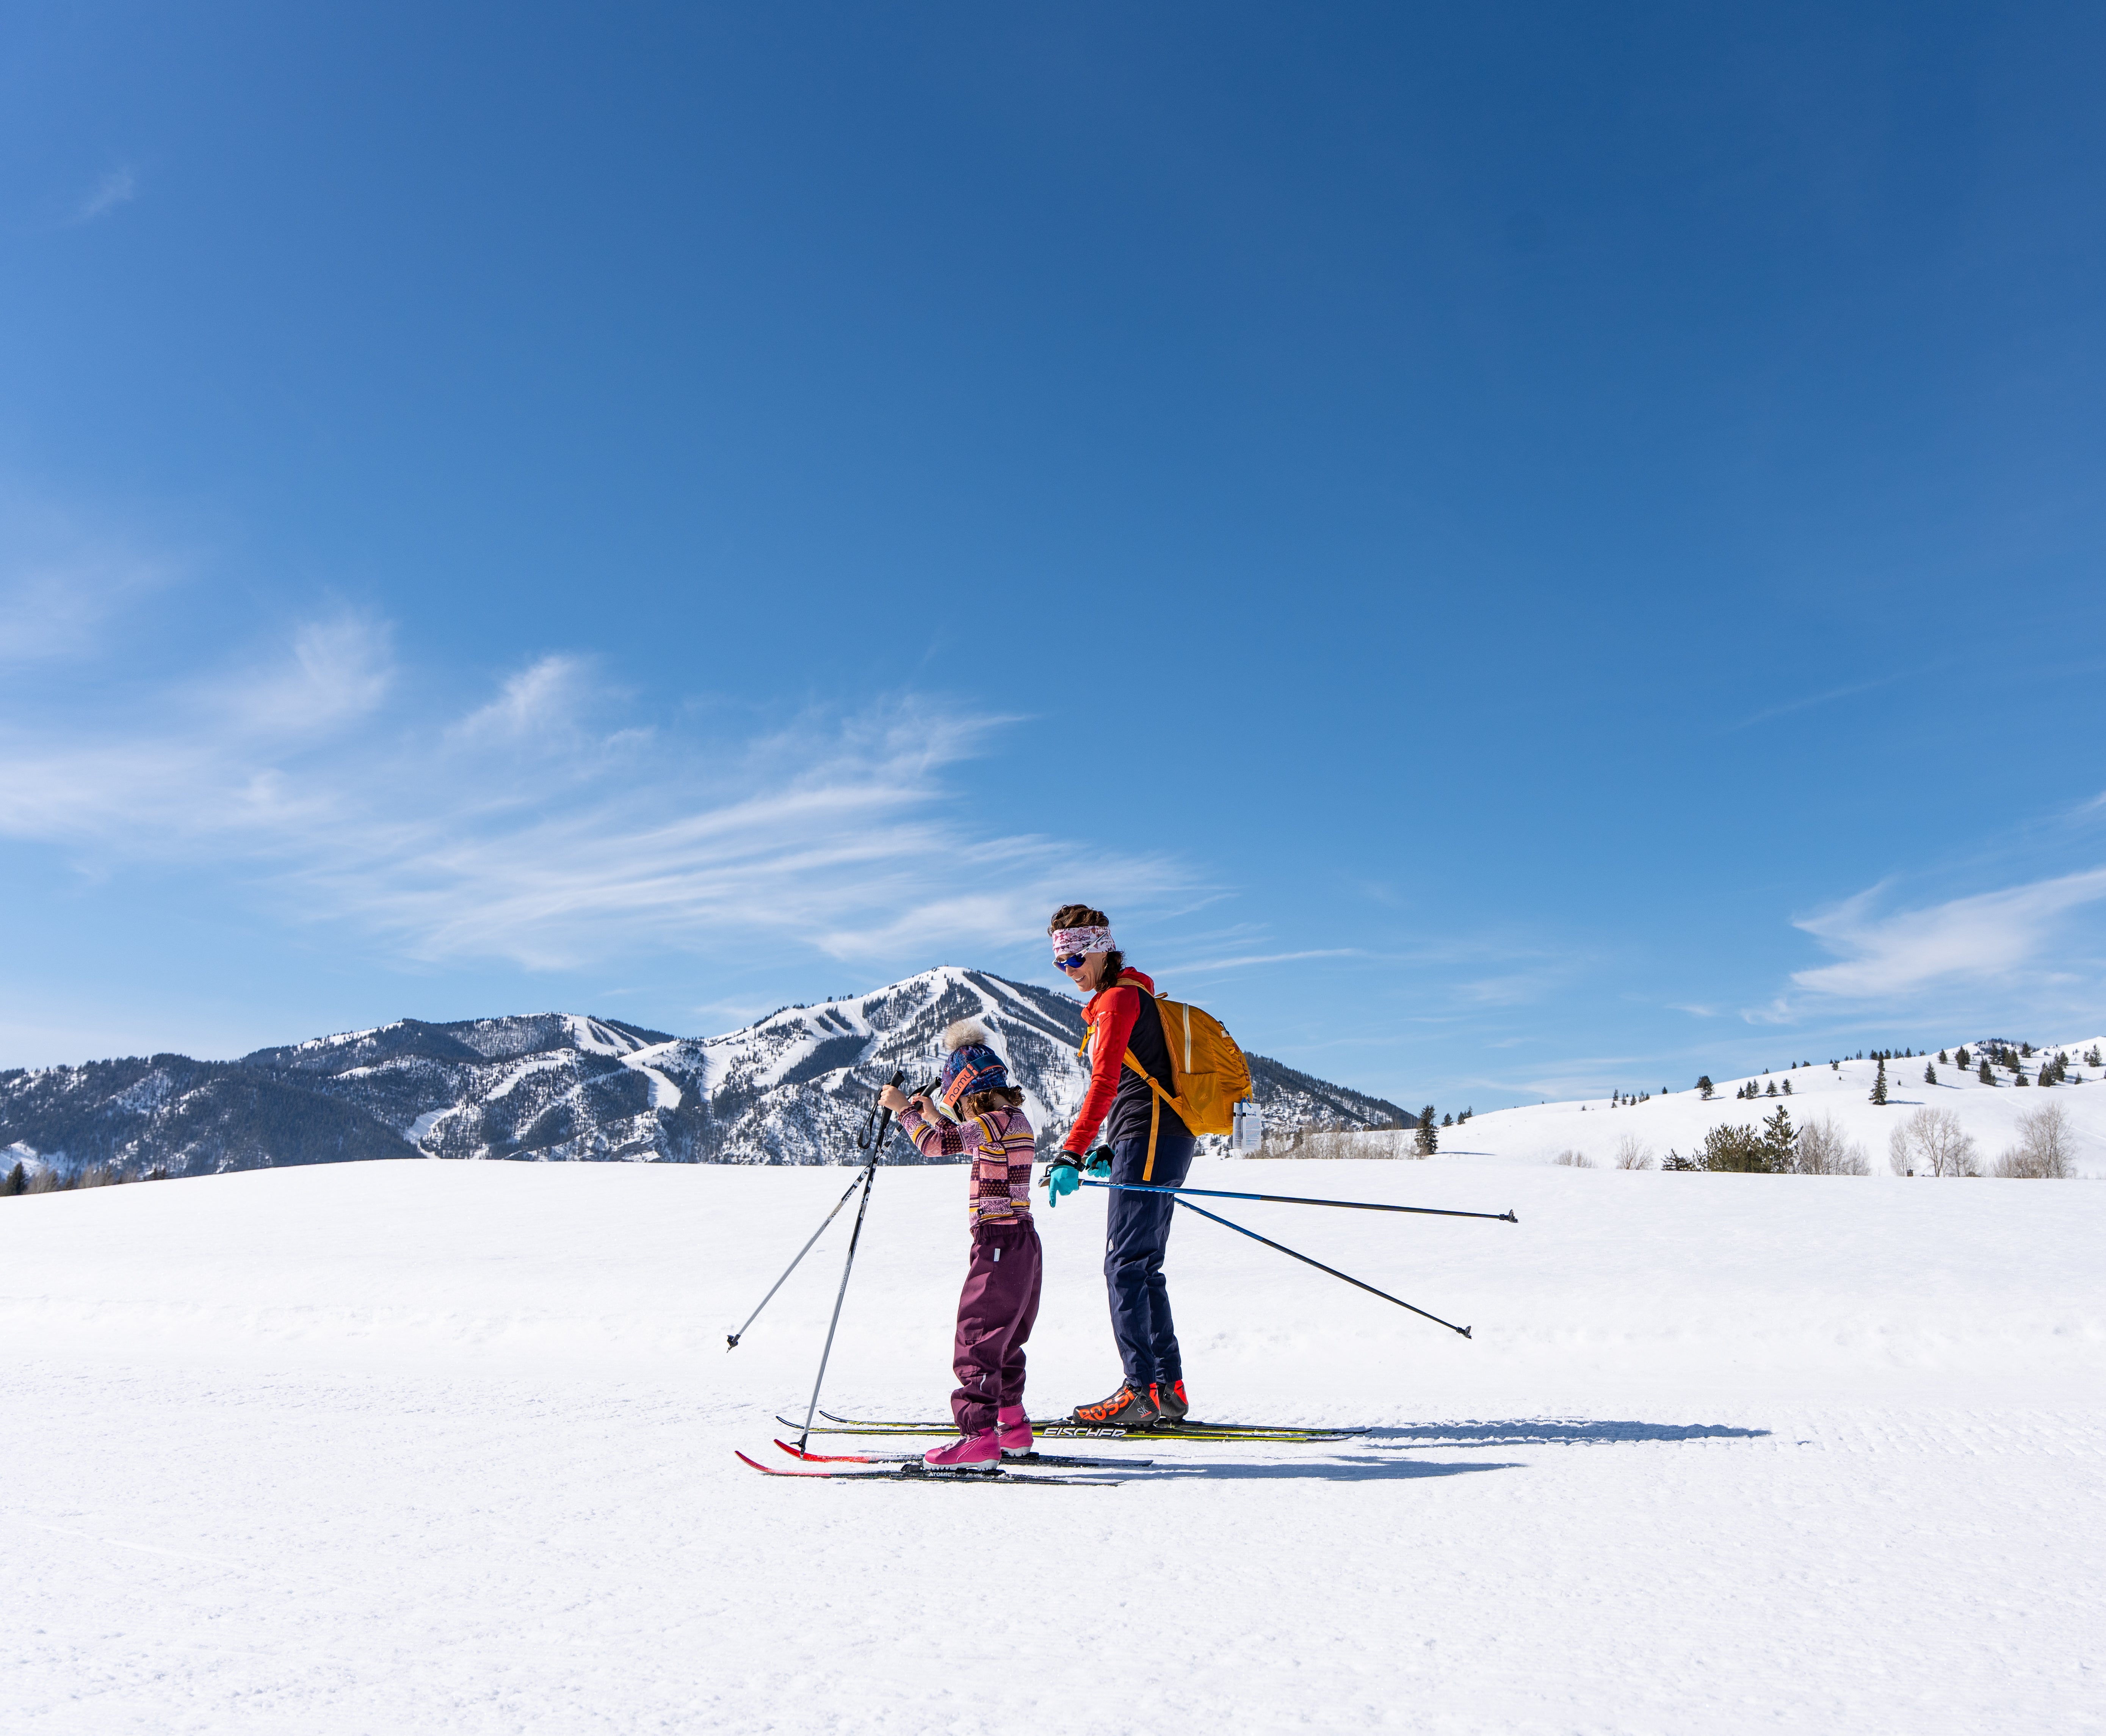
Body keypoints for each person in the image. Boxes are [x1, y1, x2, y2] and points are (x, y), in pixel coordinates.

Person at [1042, 903, 1194, 1429]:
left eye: (1077, 958)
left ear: (1103, 948)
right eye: (1062, 963)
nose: (1071, 971)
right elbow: (1136, 1079)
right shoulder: (1134, 995)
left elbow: (1106, 1082)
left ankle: (1141, 1392)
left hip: (1151, 1136)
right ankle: (1165, 1389)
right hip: (1157, 1137)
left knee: (1124, 1266)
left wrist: (1073, 1149)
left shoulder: (1117, 1000)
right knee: (1142, 1265)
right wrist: (1111, 1146)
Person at [879, 1021, 1042, 1467]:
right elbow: (963, 1136)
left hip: (997, 1242)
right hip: (1023, 1241)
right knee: (1005, 1338)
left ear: (971, 1096)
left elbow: (937, 1144)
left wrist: (904, 1112)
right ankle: (1012, 1425)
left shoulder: (988, 1124)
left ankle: (978, 1437)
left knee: (977, 1336)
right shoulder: (1013, 1119)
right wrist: (932, 1111)